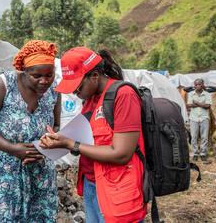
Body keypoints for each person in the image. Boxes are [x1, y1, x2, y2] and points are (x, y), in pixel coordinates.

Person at [40, 47, 146, 223]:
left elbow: (121, 154)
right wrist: (63, 142)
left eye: (78, 86)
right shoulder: (90, 100)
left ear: (95, 76)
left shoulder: (123, 95)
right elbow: (91, 142)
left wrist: (71, 144)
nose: (75, 92)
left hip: (117, 189)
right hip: (92, 184)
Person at [0, 40, 61, 222]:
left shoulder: (55, 91)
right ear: (24, 70)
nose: (45, 81)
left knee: (39, 217)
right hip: (2, 168)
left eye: (49, 74)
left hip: (39, 169)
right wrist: (12, 148)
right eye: (37, 76)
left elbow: (56, 125)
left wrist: (48, 142)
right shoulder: (5, 84)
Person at [187, 79, 212, 162]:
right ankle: (195, 153)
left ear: (203, 85)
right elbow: (190, 105)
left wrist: (196, 103)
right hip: (194, 118)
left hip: (204, 117)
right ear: (194, 85)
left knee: (204, 137)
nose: (198, 86)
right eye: (196, 84)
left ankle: (203, 153)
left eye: (200, 84)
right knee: (194, 137)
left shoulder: (207, 94)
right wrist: (202, 104)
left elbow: (208, 105)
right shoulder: (191, 94)